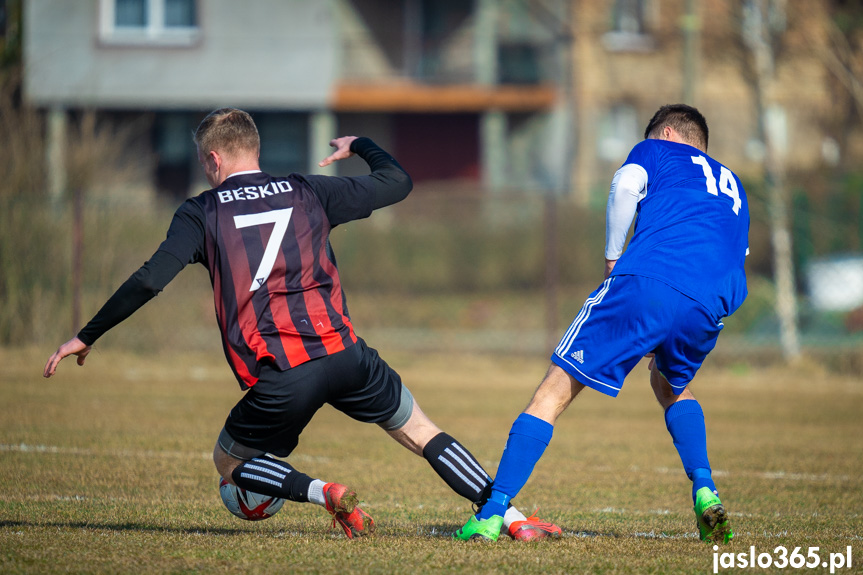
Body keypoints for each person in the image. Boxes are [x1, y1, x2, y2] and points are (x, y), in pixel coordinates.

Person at [43, 107, 560, 541]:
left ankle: (324, 492)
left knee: (229, 461)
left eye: (206, 162)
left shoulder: (201, 212)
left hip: (284, 372)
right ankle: (508, 518)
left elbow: (149, 280)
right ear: (256, 151)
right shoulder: (307, 190)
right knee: (421, 429)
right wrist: (361, 142)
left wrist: (86, 334)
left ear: (214, 158)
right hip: (347, 354)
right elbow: (398, 183)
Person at [454, 104, 748, 544]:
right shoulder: (733, 185)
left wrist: (614, 257)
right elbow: (737, 254)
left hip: (649, 277)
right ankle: (705, 488)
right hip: (713, 300)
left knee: (552, 391)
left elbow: (626, 184)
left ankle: (492, 512)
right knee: (669, 385)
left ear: (666, 132)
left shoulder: (657, 150)